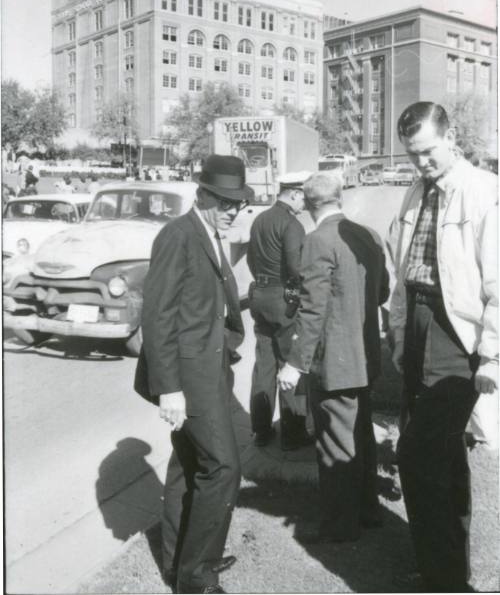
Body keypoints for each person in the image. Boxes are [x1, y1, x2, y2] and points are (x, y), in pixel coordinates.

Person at [387, 101, 497, 592]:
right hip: (417, 325)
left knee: (418, 454)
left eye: (428, 152)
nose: (421, 163)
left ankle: (445, 576)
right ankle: (442, 570)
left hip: (456, 335)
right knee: (442, 454)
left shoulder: (483, 193)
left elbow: (497, 280)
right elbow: (402, 270)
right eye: (413, 155)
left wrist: (492, 352)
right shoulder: (415, 190)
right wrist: (398, 332)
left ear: (451, 138)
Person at [135, 154, 253, 594]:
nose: (230, 210)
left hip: (211, 368)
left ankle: (180, 561)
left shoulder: (210, 233)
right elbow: (157, 316)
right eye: (222, 201)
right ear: (200, 193)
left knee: (189, 465)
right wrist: (169, 389)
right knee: (223, 467)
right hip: (189, 378)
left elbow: (203, 305)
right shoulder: (178, 235)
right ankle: (196, 578)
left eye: (237, 203)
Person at [277, 171, 389, 542]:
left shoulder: (318, 240)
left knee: (335, 442)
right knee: (361, 436)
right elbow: (382, 292)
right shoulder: (367, 236)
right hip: (365, 354)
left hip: (336, 361)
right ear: (340, 197)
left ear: (308, 204)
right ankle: (368, 511)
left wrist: (295, 363)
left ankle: (340, 527)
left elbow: (313, 310)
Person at [247, 171, 312, 450]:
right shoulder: (292, 225)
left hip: (259, 294)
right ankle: (294, 434)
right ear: (295, 193)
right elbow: (297, 270)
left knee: (264, 363)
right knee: (290, 362)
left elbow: (250, 258)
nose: (305, 205)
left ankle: (261, 430)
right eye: (304, 199)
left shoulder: (260, 219)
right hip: (283, 298)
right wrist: (299, 295)